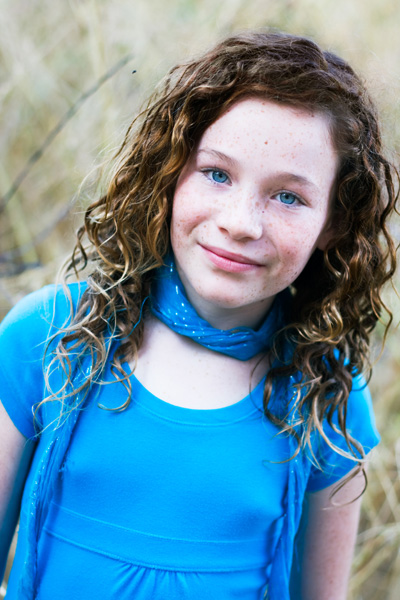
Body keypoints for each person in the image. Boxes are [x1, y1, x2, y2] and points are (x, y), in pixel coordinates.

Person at [0, 30, 398, 600]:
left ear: (333, 222)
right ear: (170, 172)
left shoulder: (327, 391)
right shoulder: (47, 337)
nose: (240, 222)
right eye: (217, 174)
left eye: (288, 196)